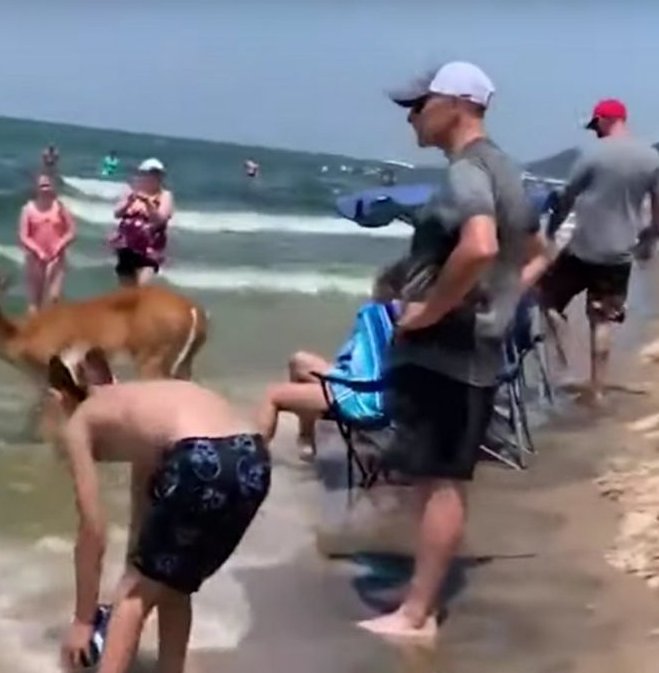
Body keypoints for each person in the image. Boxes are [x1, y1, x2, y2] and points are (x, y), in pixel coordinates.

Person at [360, 61, 549, 643]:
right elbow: (538, 251)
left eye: (419, 105)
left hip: (446, 352)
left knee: (440, 482)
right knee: (436, 478)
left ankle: (417, 615)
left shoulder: (468, 172)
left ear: (455, 105)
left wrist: (428, 312)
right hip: (473, 350)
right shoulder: (507, 173)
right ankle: (418, 594)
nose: (412, 117)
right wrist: (501, 305)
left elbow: (480, 247)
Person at [45, 349, 270, 673]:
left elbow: (93, 529)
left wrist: (83, 620)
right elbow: (144, 514)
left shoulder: (81, 420)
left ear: (59, 397)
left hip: (198, 456)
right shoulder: (139, 403)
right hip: (253, 457)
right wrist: (139, 567)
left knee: (133, 595)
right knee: (174, 581)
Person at [539, 98, 659, 406]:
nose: (595, 133)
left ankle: (567, 364)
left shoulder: (592, 156)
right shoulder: (650, 159)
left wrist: (550, 234)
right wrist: (648, 238)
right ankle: (598, 389)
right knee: (602, 319)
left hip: (583, 248)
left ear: (605, 120)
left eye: (596, 126)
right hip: (619, 253)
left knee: (548, 300)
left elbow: (566, 198)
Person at [255, 262, 405, 461]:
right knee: (299, 361)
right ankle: (306, 438)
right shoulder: (410, 320)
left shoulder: (372, 313)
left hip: (363, 399)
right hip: (390, 396)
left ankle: (252, 463)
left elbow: (350, 358)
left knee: (272, 394)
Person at [18, 173, 77, 313]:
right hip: (35, 258)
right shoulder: (28, 209)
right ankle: (34, 330)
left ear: (53, 187)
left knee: (54, 298)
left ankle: (52, 329)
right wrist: (38, 251)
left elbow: (72, 231)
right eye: (42, 184)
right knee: (34, 299)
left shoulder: (60, 207)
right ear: (36, 188)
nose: (45, 186)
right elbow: (23, 236)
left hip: (57, 257)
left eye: (48, 183)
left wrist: (60, 245)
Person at [110, 158, 174, 286]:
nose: (154, 178)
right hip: (126, 247)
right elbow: (117, 214)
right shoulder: (130, 192)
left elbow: (160, 219)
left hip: (150, 250)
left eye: (157, 174)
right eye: (150, 174)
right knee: (127, 288)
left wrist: (148, 204)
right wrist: (128, 202)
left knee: (141, 287)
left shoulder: (165, 195)